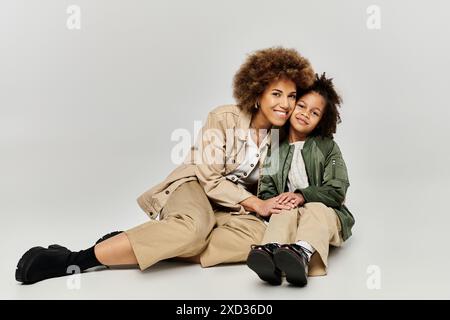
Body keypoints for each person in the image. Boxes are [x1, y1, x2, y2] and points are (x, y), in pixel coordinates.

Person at [15, 47, 315, 284]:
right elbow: (209, 179)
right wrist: (256, 204)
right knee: (194, 230)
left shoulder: (281, 140)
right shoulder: (224, 117)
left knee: (261, 241)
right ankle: (75, 259)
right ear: (257, 93)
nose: (285, 104)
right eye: (276, 94)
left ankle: (140, 243)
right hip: (195, 186)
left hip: (231, 208)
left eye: (291, 96)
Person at [246, 73, 355, 287]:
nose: (305, 114)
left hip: (324, 213)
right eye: (302, 106)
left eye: (314, 113)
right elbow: (267, 189)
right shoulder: (275, 147)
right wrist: (277, 202)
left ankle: (302, 253)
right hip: (290, 213)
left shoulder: (327, 147)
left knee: (315, 208)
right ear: (293, 105)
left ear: (321, 120)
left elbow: (336, 189)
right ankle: (271, 254)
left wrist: (302, 196)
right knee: (282, 209)